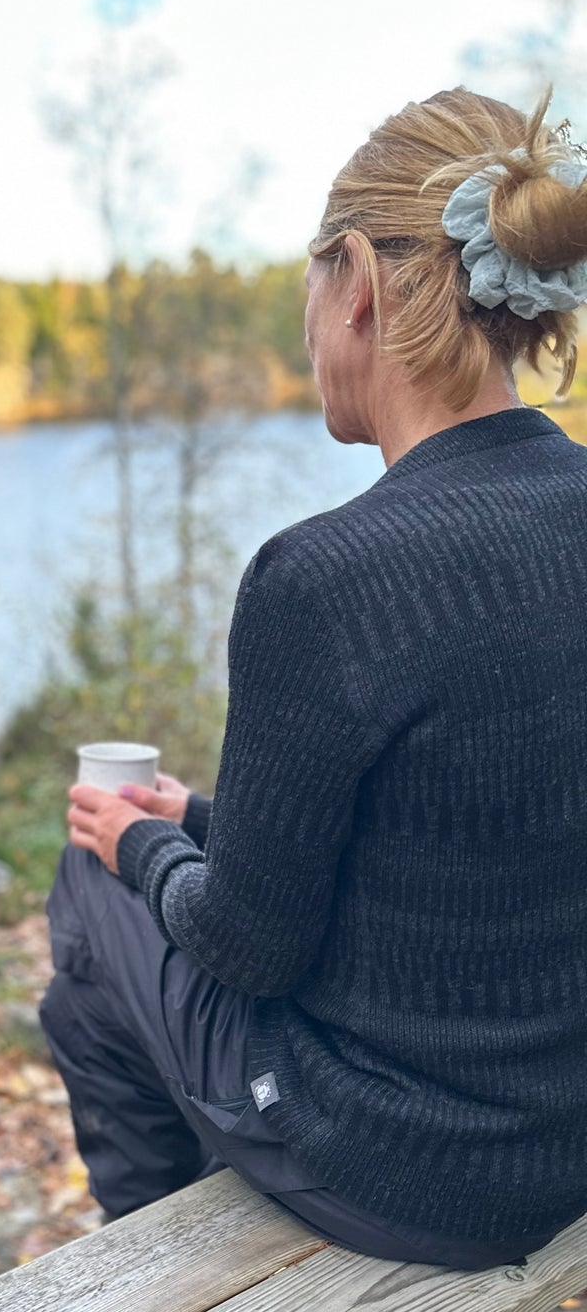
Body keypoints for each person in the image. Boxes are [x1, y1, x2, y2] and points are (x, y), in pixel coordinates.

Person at [41, 87, 587, 1269]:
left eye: (309, 290)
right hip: (568, 1132)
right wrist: (197, 818)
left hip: (409, 1172)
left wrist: (138, 850)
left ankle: (143, 1258)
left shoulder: (325, 576)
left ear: (359, 283)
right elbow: (466, 830)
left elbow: (248, 948)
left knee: (90, 886)